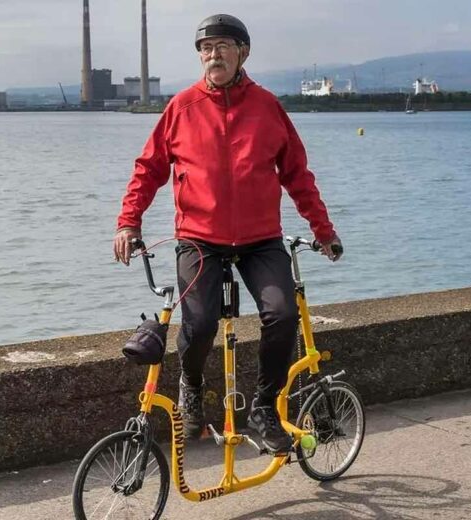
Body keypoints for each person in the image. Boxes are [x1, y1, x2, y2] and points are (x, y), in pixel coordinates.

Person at [114, 13, 342, 454]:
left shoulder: (268, 107)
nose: (212, 55)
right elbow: (149, 169)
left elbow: (297, 175)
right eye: (205, 48)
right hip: (199, 237)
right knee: (199, 326)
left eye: (222, 46)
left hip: (260, 239)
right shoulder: (181, 107)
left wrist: (324, 230)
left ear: (243, 52)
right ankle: (193, 386)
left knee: (281, 315)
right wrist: (129, 221)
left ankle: (263, 409)